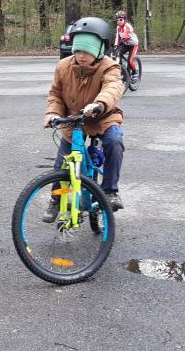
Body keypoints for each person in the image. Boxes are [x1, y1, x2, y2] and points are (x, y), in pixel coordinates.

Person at [42, 16, 125, 220]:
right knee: (61, 163)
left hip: (101, 117)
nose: (81, 55)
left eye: (86, 51)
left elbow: (113, 86)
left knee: (114, 141)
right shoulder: (63, 66)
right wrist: (53, 113)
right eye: (77, 50)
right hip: (73, 120)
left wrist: (99, 104)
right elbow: (55, 95)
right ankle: (55, 199)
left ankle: (110, 191)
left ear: (99, 50)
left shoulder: (109, 66)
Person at [114, 10, 139, 75]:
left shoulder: (127, 26)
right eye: (117, 20)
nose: (119, 22)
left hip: (133, 45)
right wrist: (116, 45)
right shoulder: (118, 27)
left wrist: (124, 37)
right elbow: (118, 37)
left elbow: (126, 33)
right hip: (125, 44)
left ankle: (135, 73)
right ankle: (122, 69)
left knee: (130, 61)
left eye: (121, 19)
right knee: (117, 54)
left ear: (124, 20)